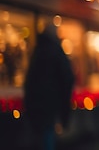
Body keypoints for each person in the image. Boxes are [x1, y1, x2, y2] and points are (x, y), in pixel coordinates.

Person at [23, 21, 75, 150]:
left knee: (40, 133)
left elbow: (29, 79)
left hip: (36, 101)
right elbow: (67, 77)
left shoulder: (38, 50)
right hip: (50, 101)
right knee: (48, 132)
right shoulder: (56, 50)